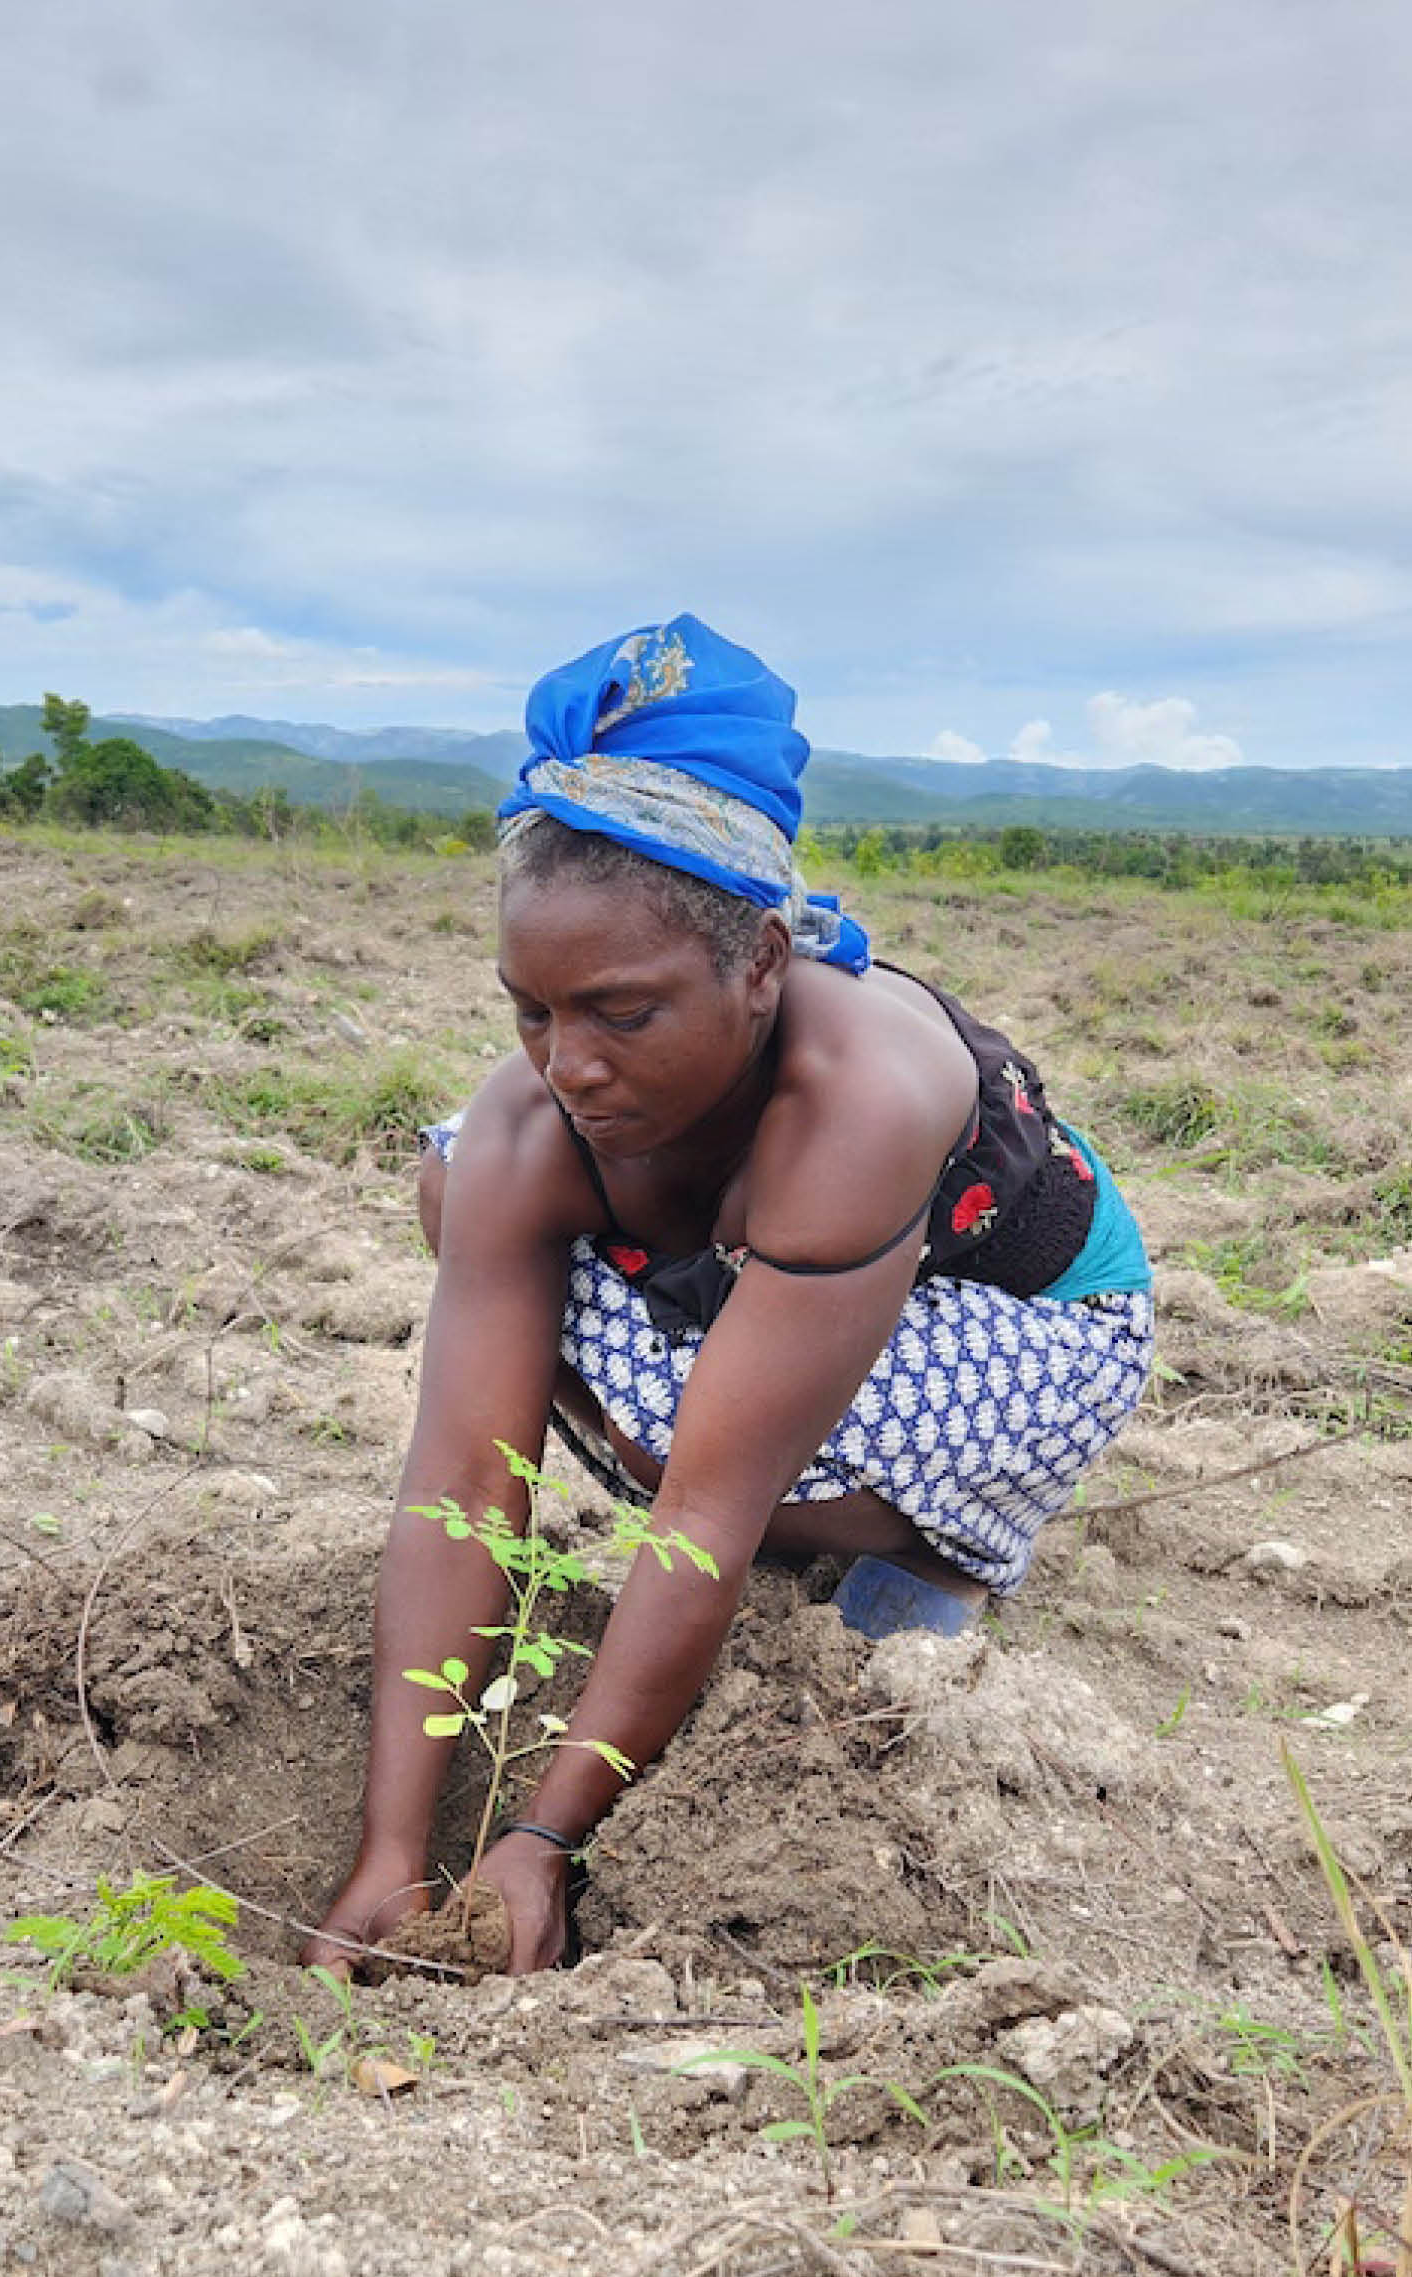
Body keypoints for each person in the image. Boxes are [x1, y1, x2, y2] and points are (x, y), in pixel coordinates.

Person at [304, 616, 1152, 1982]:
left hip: (1027, 1329)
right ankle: (773, 1457)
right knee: (463, 1191)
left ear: (761, 965)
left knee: (700, 1457)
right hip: (764, 1300)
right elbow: (463, 1476)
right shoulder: (537, 1122)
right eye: (530, 1011)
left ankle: (935, 1557)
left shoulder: (857, 1100)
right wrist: (389, 1851)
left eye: (620, 1015)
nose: (565, 1065)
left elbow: (704, 1513)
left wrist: (542, 1841)